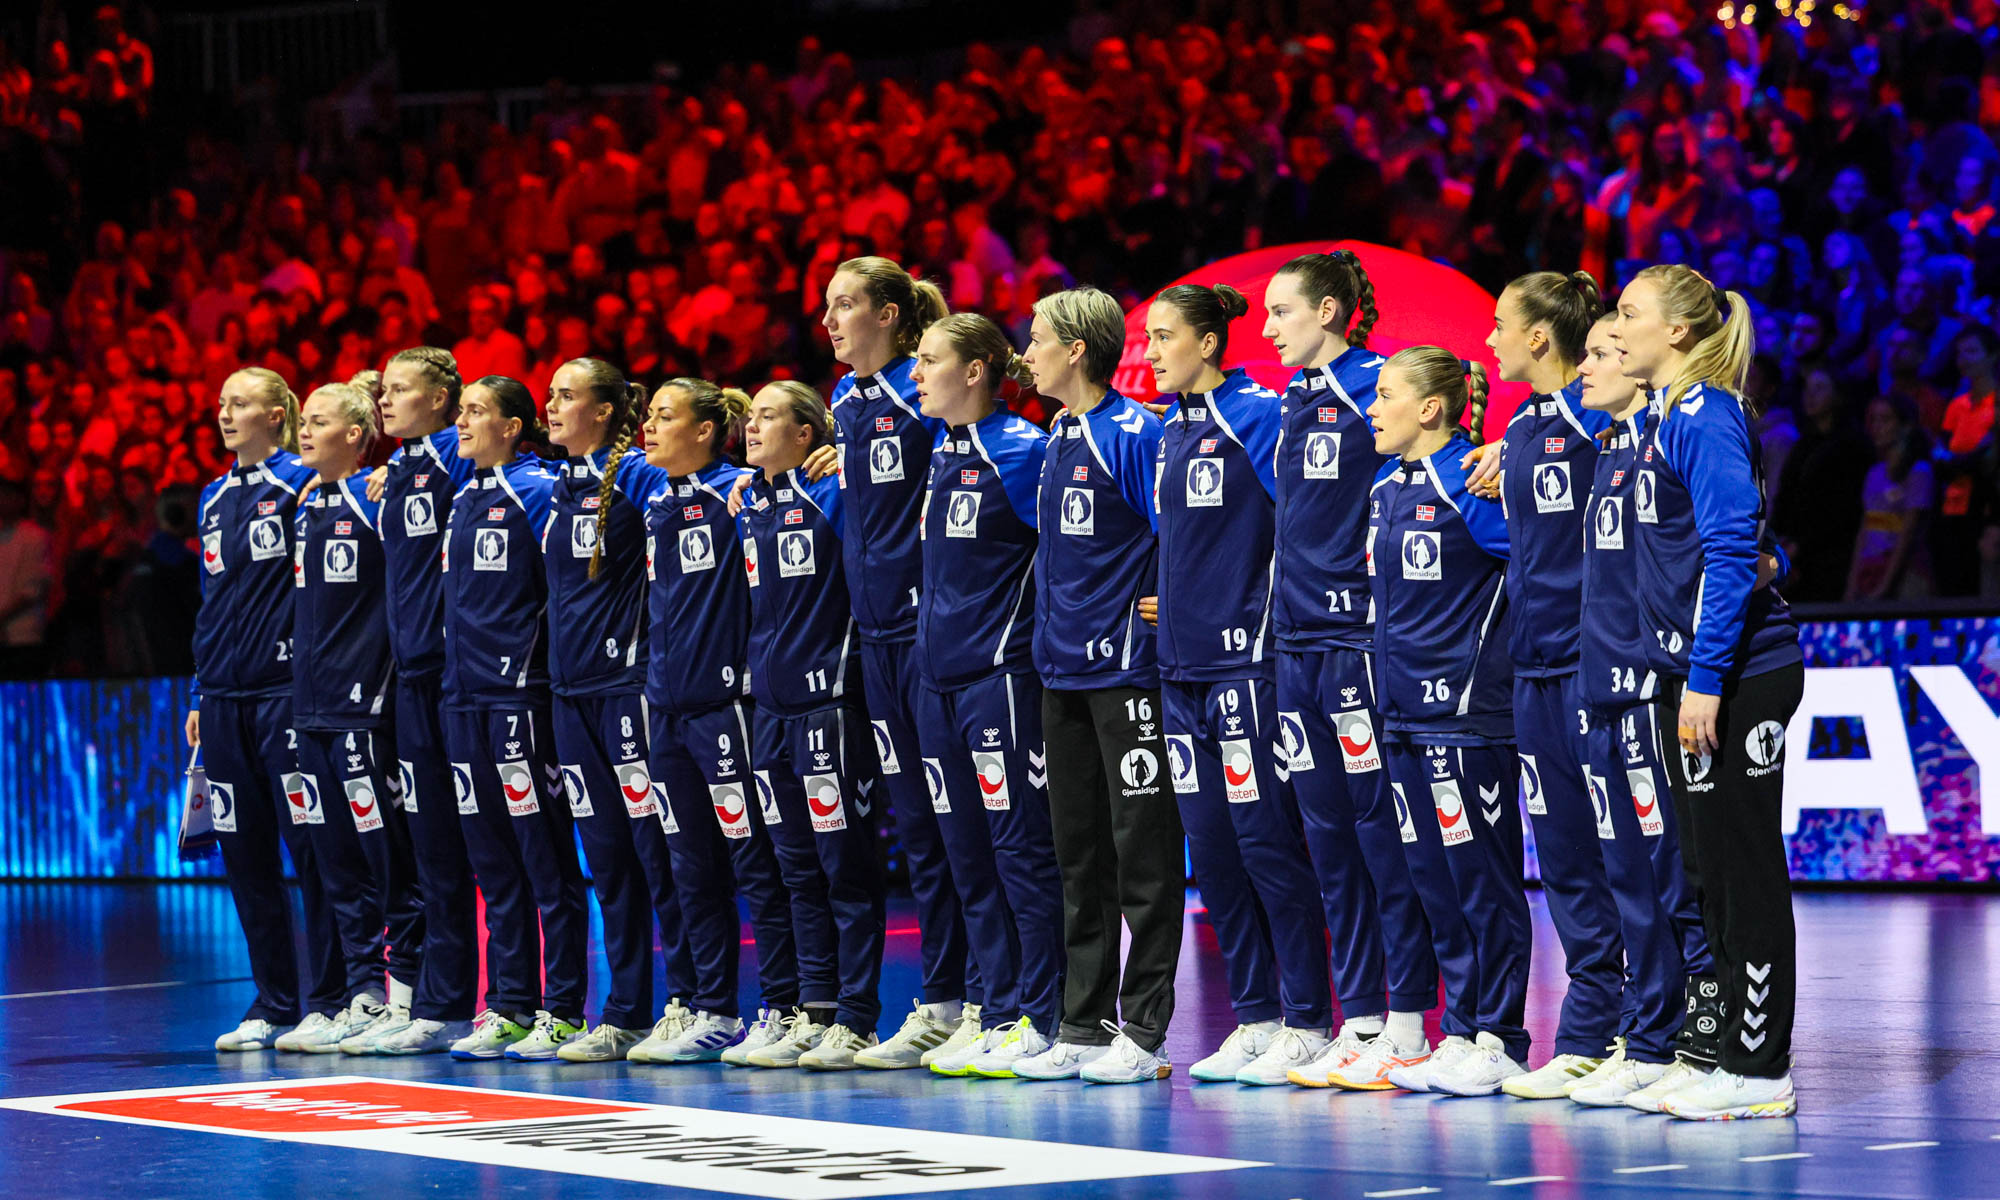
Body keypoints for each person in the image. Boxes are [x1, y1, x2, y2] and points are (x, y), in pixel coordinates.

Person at [749, 256, 976, 1068]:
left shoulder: (924, 400)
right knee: (917, 831)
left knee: (958, 831)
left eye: (845, 305)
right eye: (826, 307)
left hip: (927, 636)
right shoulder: (847, 402)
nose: (830, 321)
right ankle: (943, 1001)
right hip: (870, 644)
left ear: (888, 314)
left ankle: (978, 1001)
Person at [1613, 264, 1805, 1120]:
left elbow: (1736, 552)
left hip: (1739, 678)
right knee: (1706, 872)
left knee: (1745, 870)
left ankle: (1762, 1071)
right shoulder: (1664, 418)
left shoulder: (1706, 413)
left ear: (1679, 332)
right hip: (1691, 677)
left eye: (1629, 314)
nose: (1617, 330)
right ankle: (1724, 1052)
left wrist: (1703, 677)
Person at [1256, 251, 1441, 1092]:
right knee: (1327, 839)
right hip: (1293, 649)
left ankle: (1409, 1021)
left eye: (1282, 313)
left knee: (1378, 837)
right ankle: (1359, 1017)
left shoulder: (1378, 388)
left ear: (1328, 311)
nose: (1268, 329)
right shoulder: (1291, 403)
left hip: (1357, 650)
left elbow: (1442, 454)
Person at [1145, 282, 1335, 1084]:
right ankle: (1254, 1018)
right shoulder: (1168, 431)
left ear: (1207, 344)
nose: (1149, 352)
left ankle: (1310, 1018)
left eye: (1163, 337)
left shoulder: (1255, 415)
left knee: (1265, 844)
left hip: (1243, 668)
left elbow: (1303, 522)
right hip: (1178, 670)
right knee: (1214, 853)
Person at [1012, 286, 1184, 1084]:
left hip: (1125, 676)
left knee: (1140, 856)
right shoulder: (1056, 435)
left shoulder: (1133, 434)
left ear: (1077, 349)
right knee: (1078, 855)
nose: (1028, 350)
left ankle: (1144, 1033)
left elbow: (1176, 531)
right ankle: (1081, 1024)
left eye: (1039, 337)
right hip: (1060, 672)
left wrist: (1164, 604)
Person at [1363, 347, 1532, 1095]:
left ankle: (1502, 1035)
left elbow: (1537, 567)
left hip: (1464, 721)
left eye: (1386, 394)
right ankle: (1459, 1030)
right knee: (1432, 880)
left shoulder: (1473, 483)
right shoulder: (1385, 488)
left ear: (1430, 408)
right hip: (1397, 717)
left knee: (1481, 882)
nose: (1372, 407)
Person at [631, 377, 814, 1066]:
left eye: (665, 416)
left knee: (756, 863)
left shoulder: (738, 495)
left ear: (706, 430)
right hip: (666, 712)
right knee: (686, 866)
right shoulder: (654, 500)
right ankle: (708, 1008)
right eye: (647, 416)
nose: (649, 427)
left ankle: (784, 1004)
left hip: (727, 711)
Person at [1477, 270, 1627, 1098]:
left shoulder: (1594, 415)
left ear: (1541, 336)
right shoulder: (1529, 423)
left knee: (1626, 858)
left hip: (1590, 668)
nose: (1491, 338)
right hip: (1529, 669)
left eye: (1503, 325)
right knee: (1565, 860)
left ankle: (1642, 1031)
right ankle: (1588, 1031)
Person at [902, 314, 1064, 1078]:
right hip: (935, 684)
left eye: (929, 361)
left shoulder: (1024, 452)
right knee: (965, 855)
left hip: (999, 682)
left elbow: (1074, 550)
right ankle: (994, 1008)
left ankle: (1043, 1013)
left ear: (975, 371)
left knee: (1018, 852)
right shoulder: (941, 450)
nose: (916, 375)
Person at [1564, 314, 1717, 1108]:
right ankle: (1648, 1033)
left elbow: (1740, 545)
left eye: (1603, 354)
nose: (1586, 367)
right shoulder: (1611, 452)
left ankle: (1689, 1038)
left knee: (1671, 876)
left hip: (1646, 690)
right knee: (1627, 873)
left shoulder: (1676, 437)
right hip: (1599, 691)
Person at [537, 357, 698, 1062]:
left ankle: (691, 1002)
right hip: (569, 700)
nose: (551, 405)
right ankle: (626, 1010)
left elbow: (704, 485)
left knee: (656, 857)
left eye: (566, 396)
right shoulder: (551, 488)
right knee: (606, 860)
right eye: (549, 394)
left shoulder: (632, 475)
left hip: (627, 697)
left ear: (605, 411)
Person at [438, 375, 592, 1061]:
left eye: (474, 412)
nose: (460, 422)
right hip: (461, 699)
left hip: (517, 699)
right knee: (492, 865)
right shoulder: (464, 492)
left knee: (544, 861)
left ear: (511, 425)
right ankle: (507, 1004)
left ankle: (561, 1009)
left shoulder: (537, 491)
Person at [735, 380, 888, 1070]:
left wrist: (849, 466)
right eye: (752, 415)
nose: (753, 425)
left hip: (828, 705)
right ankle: (811, 1011)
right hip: (768, 711)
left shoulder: (832, 494)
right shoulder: (750, 505)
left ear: (807, 434)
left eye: (770, 416)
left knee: (844, 870)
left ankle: (856, 1020)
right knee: (795, 870)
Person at [186, 367, 335, 1052]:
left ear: (277, 416)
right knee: (243, 856)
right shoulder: (213, 498)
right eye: (221, 404)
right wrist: (199, 690)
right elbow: (210, 602)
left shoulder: (302, 486)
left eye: (240, 404)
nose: (224, 414)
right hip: (222, 701)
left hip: (285, 699)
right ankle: (273, 1001)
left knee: (312, 850)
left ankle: (330, 999)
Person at [343, 346, 479, 1055]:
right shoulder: (393, 472)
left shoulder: (464, 453)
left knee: (484, 848)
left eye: (400, 389)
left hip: (465, 676)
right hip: (410, 680)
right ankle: (438, 1001)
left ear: (443, 398)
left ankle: (507, 1004)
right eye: (383, 390)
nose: (385, 401)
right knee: (431, 849)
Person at [286, 380, 425, 1051]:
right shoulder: (307, 506)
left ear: (355, 434)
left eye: (317, 422)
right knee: (335, 863)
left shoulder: (378, 499)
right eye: (302, 422)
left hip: (364, 713)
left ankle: (409, 994)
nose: (304, 431)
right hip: (309, 713)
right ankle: (359, 994)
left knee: (388, 862)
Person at [0, 478, 52, 679]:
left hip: (24, 635)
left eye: (7, 494)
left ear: (20, 500)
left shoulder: (35, 537)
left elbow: (34, 590)